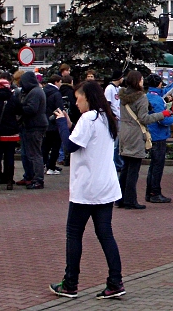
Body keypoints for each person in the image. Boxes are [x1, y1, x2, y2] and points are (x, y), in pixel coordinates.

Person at [50, 81, 126, 300]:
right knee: (105, 234)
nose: (76, 102)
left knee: (74, 234)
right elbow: (85, 141)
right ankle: (115, 281)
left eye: (78, 98)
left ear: (88, 98)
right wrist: (70, 123)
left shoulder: (89, 117)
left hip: (87, 187)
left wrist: (61, 124)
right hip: (105, 185)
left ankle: (70, 284)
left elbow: (70, 146)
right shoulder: (107, 117)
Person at [118, 70, 172, 209]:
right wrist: (162, 114)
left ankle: (119, 198)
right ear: (138, 81)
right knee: (133, 170)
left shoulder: (123, 96)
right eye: (141, 79)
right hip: (136, 134)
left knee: (125, 167)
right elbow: (144, 118)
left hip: (124, 132)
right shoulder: (140, 97)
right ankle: (130, 200)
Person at [145, 73, 173, 203]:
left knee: (153, 165)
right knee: (158, 165)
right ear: (159, 84)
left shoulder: (148, 96)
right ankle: (155, 192)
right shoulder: (159, 100)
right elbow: (163, 121)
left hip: (151, 134)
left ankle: (149, 192)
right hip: (159, 135)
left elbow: (167, 89)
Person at [0, 78, 21, 191]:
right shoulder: (13, 99)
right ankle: (9, 182)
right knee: (10, 157)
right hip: (11, 133)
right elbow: (20, 111)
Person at [19, 71, 47, 189]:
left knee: (35, 154)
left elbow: (32, 109)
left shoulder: (35, 92)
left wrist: (19, 108)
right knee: (31, 153)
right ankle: (31, 177)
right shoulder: (35, 91)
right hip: (33, 125)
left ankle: (38, 179)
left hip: (35, 126)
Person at [43, 75, 65, 176]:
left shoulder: (43, 91)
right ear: (56, 82)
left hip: (44, 123)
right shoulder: (56, 93)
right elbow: (60, 109)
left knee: (45, 146)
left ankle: (43, 165)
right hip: (55, 124)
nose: (61, 84)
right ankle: (51, 167)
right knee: (56, 146)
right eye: (60, 82)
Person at [104, 70, 124, 173]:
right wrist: (112, 115)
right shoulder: (109, 88)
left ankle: (118, 163)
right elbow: (107, 104)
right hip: (115, 118)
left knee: (119, 143)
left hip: (120, 117)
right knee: (115, 143)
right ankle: (114, 164)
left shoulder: (118, 89)